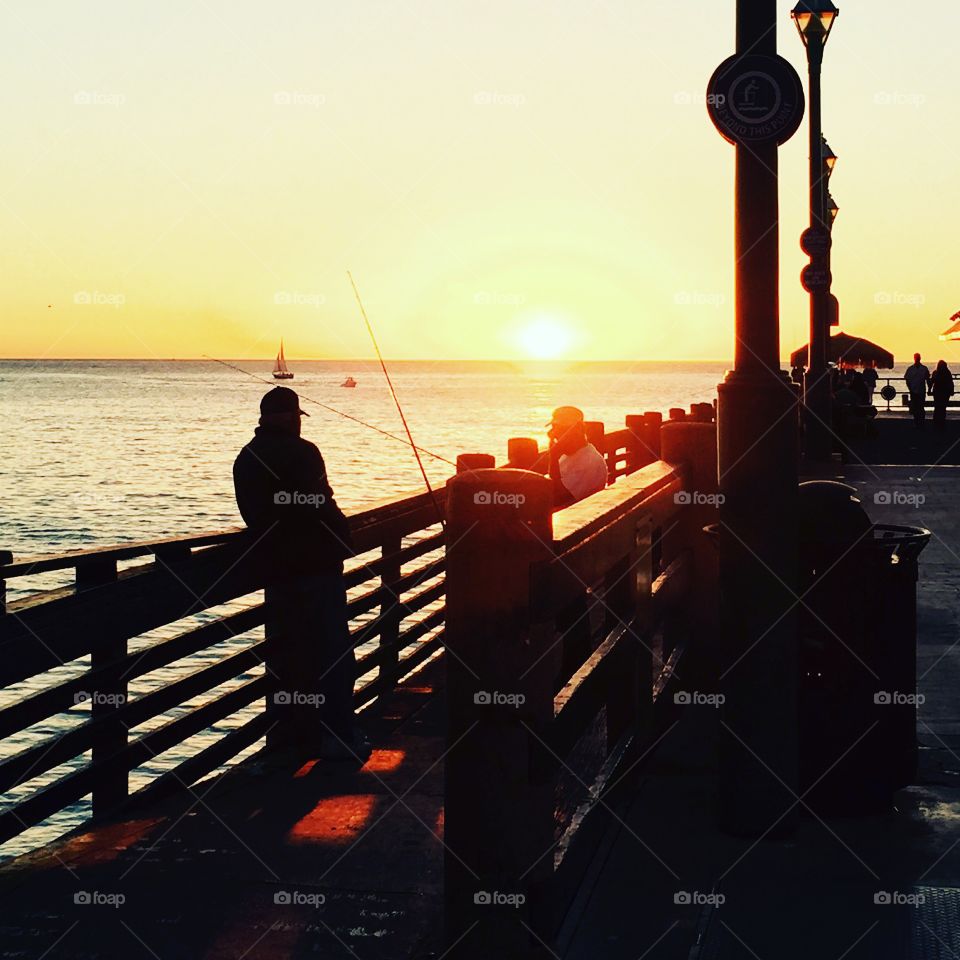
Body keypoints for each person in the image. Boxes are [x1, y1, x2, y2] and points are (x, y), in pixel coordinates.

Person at [233, 386, 369, 761]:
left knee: (289, 660)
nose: (297, 422)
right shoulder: (304, 452)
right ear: (290, 417)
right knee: (334, 658)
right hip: (317, 569)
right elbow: (322, 504)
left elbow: (254, 515)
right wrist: (343, 539)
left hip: (276, 573)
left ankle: (289, 742)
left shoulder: (246, 457)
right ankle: (339, 738)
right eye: (295, 416)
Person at [547, 406, 609, 508]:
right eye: (553, 428)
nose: (553, 434)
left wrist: (553, 459)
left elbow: (559, 498)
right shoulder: (568, 455)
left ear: (578, 430)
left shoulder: (590, 461)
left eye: (561, 429)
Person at [904, 353, 932, 428]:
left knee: (921, 407)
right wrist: (910, 389)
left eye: (918, 357)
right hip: (913, 391)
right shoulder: (910, 369)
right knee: (916, 407)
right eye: (916, 357)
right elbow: (907, 380)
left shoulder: (924, 368)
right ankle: (917, 422)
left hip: (921, 391)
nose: (917, 359)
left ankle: (921, 422)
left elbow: (928, 379)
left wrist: (929, 389)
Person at [931, 359, 955, 432]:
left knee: (938, 408)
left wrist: (929, 389)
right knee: (942, 408)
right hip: (944, 393)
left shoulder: (936, 372)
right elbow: (951, 383)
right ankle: (941, 423)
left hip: (938, 392)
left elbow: (932, 382)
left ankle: (937, 423)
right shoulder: (947, 373)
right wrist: (951, 391)